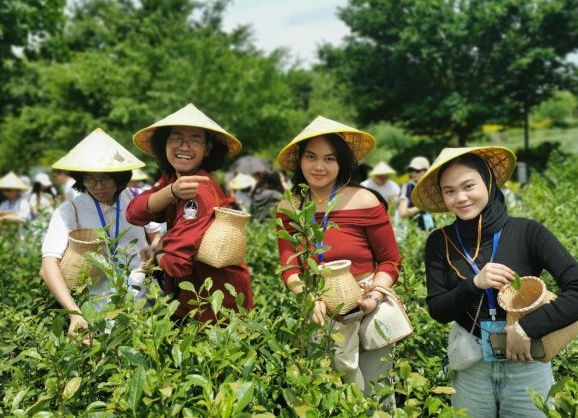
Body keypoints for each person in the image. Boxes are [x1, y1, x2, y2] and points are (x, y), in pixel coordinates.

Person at [411, 146, 578, 417]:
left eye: (468, 186)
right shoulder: (440, 241)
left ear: (489, 182)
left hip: (527, 361)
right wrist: (474, 284)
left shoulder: (528, 232)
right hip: (471, 364)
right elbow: (438, 310)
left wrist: (526, 328)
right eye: (449, 191)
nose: (460, 197)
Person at [276, 115, 402, 396]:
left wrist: (374, 296)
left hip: (367, 304)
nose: (319, 166)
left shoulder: (364, 200)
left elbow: (390, 260)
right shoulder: (290, 206)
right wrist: (307, 296)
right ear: (300, 160)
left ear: (342, 162)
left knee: (375, 393)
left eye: (329, 159)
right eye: (311, 157)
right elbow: (289, 267)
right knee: (332, 392)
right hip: (320, 307)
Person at [126, 102, 254, 322]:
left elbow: (177, 261)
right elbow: (134, 213)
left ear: (207, 149)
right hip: (192, 299)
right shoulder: (172, 179)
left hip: (215, 305)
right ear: (165, 143)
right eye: (176, 138)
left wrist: (158, 249)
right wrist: (171, 191)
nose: (184, 146)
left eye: (195, 140)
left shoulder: (198, 189)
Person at [39, 128, 158, 345]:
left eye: (106, 179)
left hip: (144, 304)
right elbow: (48, 266)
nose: (98, 187)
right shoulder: (71, 211)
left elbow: (157, 236)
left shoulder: (137, 200)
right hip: (95, 314)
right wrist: (75, 313)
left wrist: (154, 249)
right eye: (90, 179)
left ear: (120, 177)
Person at [398, 156, 434, 231]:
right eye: (411, 170)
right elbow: (402, 213)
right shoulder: (408, 186)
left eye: (417, 170)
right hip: (413, 230)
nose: (413, 173)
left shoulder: (432, 186)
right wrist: (422, 207)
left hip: (431, 228)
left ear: (426, 171)